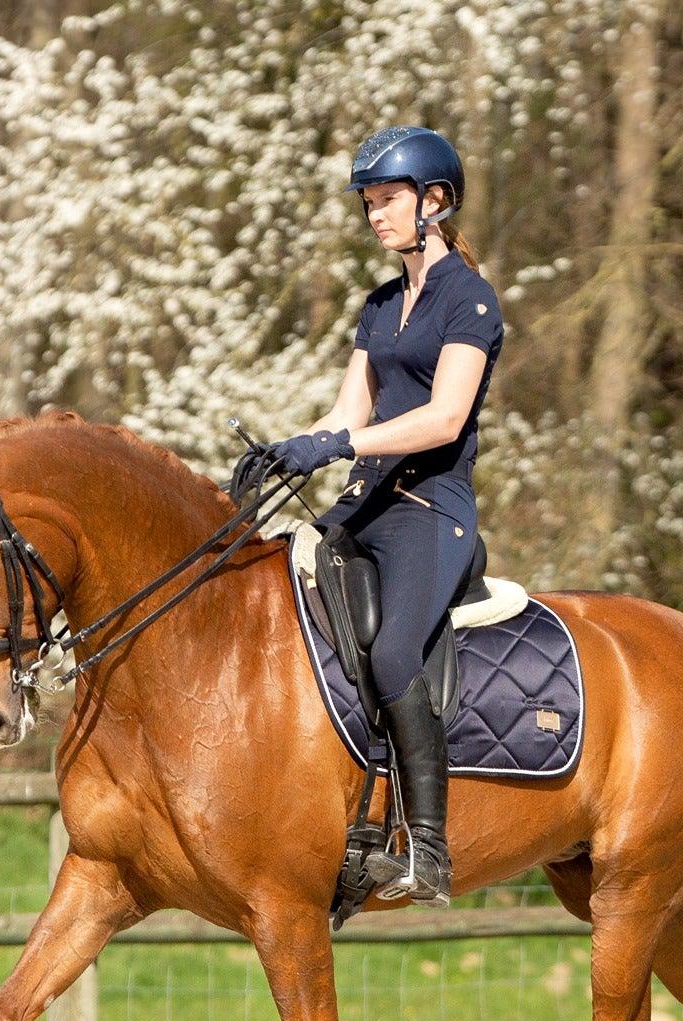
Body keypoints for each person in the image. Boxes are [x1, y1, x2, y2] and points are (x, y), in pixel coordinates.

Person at [250, 125, 504, 907]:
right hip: (368, 503)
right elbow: (348, 407)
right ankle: (344, 823)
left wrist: (340, 440)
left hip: (434, 510)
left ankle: (426, 851)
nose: (375, 215)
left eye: (387, 199)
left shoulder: (472, 299)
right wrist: (296, 445)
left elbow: (443, 418)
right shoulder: (381, 304)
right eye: (369, 203)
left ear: (435, 201)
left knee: (393, 653)